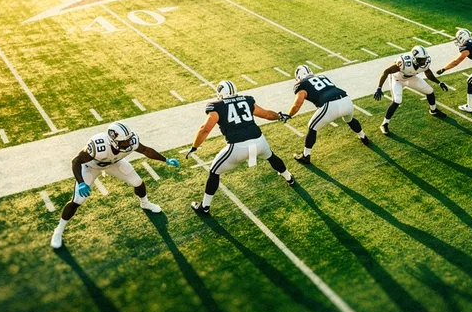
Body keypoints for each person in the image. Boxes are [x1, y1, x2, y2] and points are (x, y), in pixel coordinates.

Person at [50, 122, 179, 248]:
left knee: (138, 182)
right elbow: (76, 160)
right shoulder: (98, 145)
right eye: (124, 142)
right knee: (78, 200)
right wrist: (81, 182)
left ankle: (145, 203)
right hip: (91, 167)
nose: (128, 143)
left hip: (114, 163)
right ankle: (59, 229)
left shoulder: (131, 141)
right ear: (113, 140)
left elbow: (145, 150)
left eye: (128, 140)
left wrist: (166, 159)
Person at [186, 81, 295, 215]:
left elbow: (205, 129)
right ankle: (289, 178)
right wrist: (279, 116)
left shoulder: (216, 106)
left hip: (237, 146)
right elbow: (266, 114)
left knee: (214, 171)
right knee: (270, 156)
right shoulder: (247, 100)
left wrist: (194, 146)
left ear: (220, 93)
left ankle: (205, 207)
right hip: (259, 141)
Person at [286, 65, 368, 164]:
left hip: (330, 105)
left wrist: (288, 115)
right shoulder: (322, 77)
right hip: (346, 100)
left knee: (312, 127)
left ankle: (306, 155)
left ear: (298, 77)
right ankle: (363, 136)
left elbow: (297, 104)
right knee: (349, 120)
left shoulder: (301, 85)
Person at [374, 45, 447, 136]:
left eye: (424, 59)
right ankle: (384, 124)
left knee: (430, 91)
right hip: (397, 78)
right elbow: (386, 71)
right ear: (414, 58)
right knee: (397, 101)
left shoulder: (426, 61)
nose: (423, 61)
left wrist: (439, 82)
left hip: (411, 77)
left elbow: (427, 72)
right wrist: (379, 87)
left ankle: (433, 110)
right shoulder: (404, 62)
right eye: (421, 59)